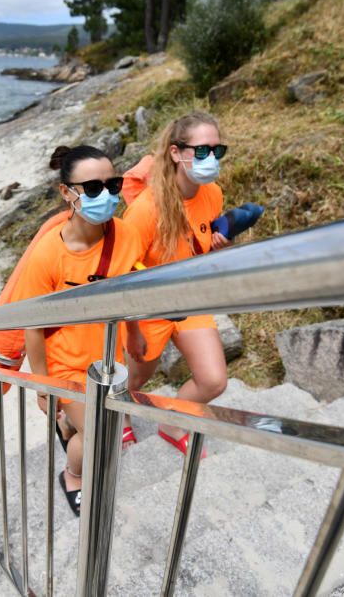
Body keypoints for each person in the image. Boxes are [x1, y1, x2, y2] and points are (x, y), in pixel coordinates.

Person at [11, 144, 147, 516]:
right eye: (91, 188)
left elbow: (129, 288)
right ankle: (72, 475)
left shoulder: (126, 234)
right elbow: (33, 328)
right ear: (66, 193)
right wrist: (43, 387)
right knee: (100, 433)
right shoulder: (47, 256)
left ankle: (71, 423)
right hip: (66, 366)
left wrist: (134, 332)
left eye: (112, 185)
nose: (104, 196)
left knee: (99, 420)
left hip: (107, 356)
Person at [122, 111, 232, 456]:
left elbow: (201, 239)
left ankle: (172, 423)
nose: (210, 159)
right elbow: (123, 271)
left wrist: (217, 246)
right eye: (201, 151)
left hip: (189, 302)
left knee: (213, 381)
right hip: (148, 308)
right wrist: (134, 329)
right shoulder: (146, 209)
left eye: (217, 151)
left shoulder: (213, 193)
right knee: (132, 379)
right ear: (175, 152)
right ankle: (114, 415)